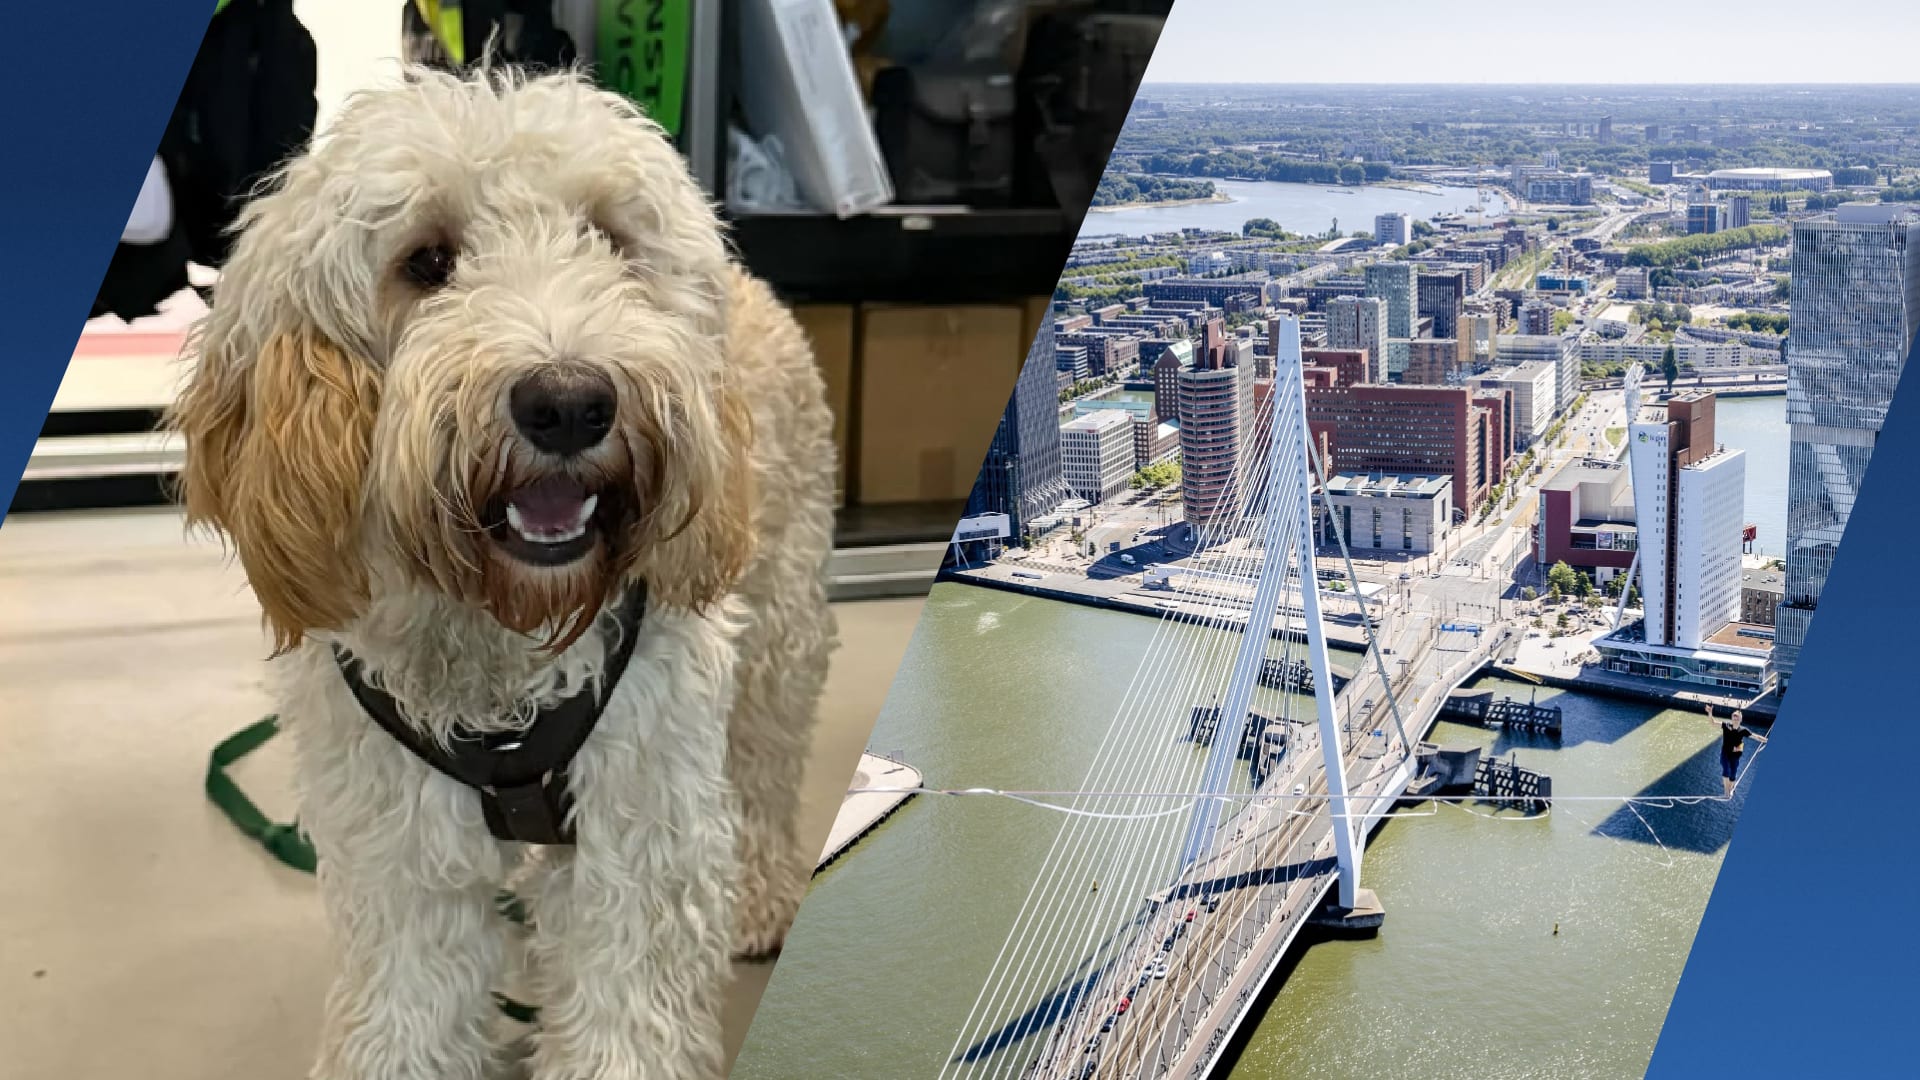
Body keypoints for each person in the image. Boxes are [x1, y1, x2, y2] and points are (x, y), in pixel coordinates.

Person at [1707, 704, 1767, 797]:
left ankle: (1730, 789)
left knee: (1733, 775)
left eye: (1737, 717)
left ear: (1740, 720)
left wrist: (1767, 740)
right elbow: (1712, 723)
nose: (1735, 718)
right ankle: (1726, 792)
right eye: (1734, 716)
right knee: (1726, 770)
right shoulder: (1726, 725)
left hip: (1735, 755)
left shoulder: (1743, 730)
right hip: (1725, 753)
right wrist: (1710, 713)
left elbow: (1756, 737)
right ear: (1731, 718)